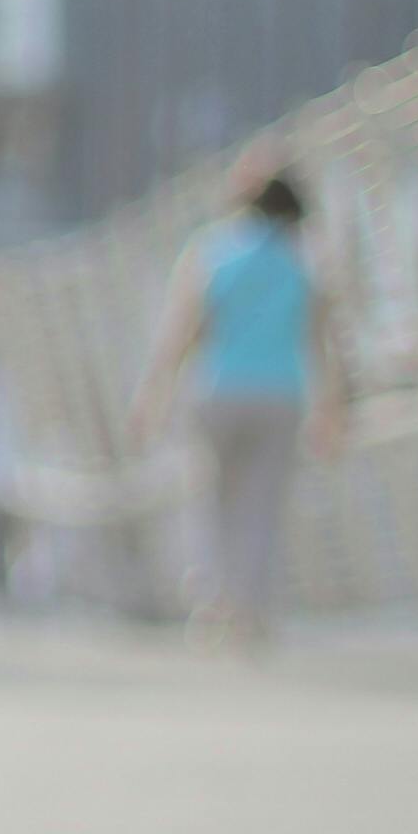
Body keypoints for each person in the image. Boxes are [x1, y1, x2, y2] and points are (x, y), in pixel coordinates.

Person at [133, 166, 330, 643]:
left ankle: (212, 603)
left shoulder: (214, 252)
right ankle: (252, 609)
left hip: (218, 388)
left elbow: (185, 328)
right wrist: (331, 408)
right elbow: (319, 340)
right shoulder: (302, 262)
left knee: (210, 501)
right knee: (261, 507)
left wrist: (154, 393)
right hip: (281, 392)